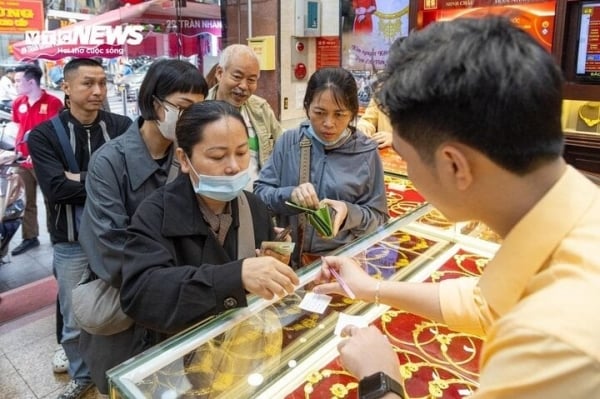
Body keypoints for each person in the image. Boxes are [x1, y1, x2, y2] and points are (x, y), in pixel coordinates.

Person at [313, 16, 600, 398]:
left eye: (404, 157)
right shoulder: (578, 205)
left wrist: (382, 379)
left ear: (453, 165)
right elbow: (487, 304)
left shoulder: (551, 340)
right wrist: (372, 288)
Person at [119, 100, 299, 348]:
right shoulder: (154, 213)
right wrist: (236, 276)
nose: (233, 167)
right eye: (217, 156)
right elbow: (141, 294)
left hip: (244, 348)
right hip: (184, 354)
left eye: (242, 152)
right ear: (184, 159)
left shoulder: (254, 207)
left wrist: (276, 261)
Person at [78, 59, 208, 394]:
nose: (191, 118)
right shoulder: (109, 162)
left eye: (199, 109)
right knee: (124, 385)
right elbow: (111, 244)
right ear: (155, 104)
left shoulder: (188, 157)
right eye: (183, 107)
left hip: (178, 305)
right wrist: (180, 275)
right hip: (124, 304)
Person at [28, 58, 132, 399]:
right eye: (88, 83)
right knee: (74, 315)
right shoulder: (44, 135)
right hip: (70, 241)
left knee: (125, 303)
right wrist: (105, 181)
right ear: (66, 87)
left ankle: (124, 366)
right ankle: (82, 374)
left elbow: (131, 181)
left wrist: (79, 179)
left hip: (116, 237)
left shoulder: (121, 126)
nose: (98, 91)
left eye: (102, 82)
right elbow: (55, 189)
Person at [254, 67, 389, 267]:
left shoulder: (366, 151)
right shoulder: (289, 142)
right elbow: (259, 196)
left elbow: (379, 218)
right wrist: (289, 196)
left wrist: (348, 214)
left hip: (340, 263)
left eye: (340, 114)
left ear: (353, 112)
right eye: (319, 112)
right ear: (307, 107)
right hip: (286, 260)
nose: (328, 123)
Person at [207, 44, 282, 188]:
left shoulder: (261, 109)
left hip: (257, 201)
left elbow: (281, 147)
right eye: (237, 77)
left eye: (251, 80)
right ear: (220, 73)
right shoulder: (199, 108)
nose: (243, 86)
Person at [11, 64, 63, 256]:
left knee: (51, 199)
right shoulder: (18, 103)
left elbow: (57, 133)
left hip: (44, 161)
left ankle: (56, 234)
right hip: (22, 161)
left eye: (18, 81)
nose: (15, 84)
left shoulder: (53, 103)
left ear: (31, 82)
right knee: (26, 201)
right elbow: (17, 127)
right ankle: (29, 237)